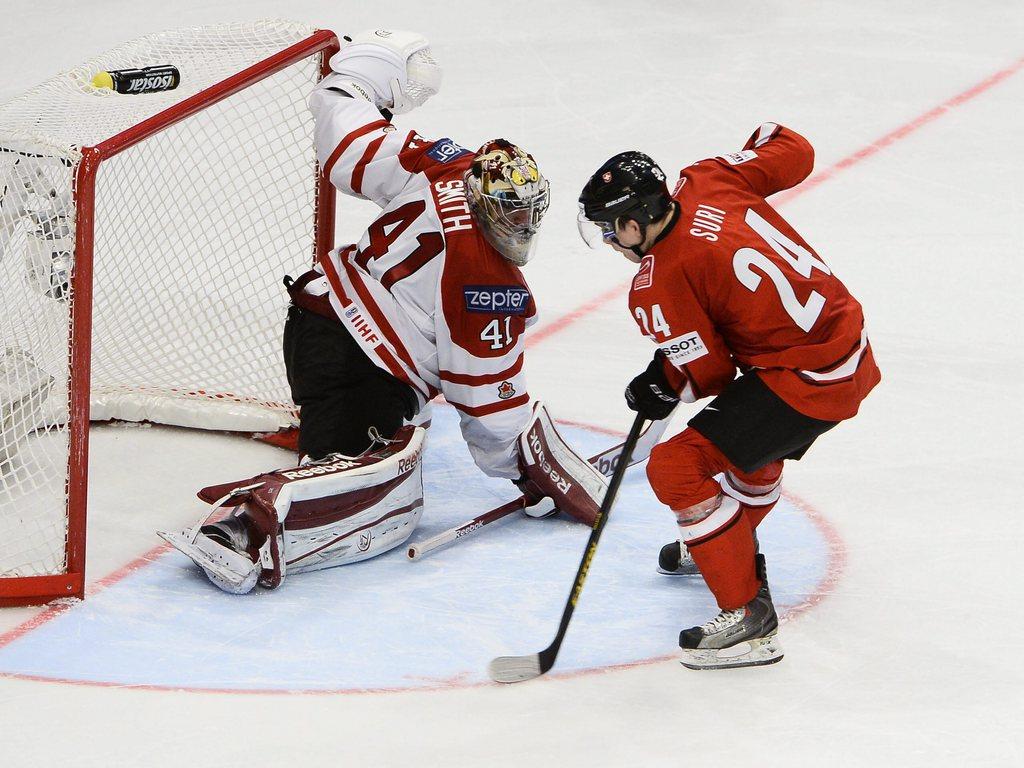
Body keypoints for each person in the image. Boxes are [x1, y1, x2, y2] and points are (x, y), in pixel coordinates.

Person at [161, 29, 608, 594]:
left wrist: (365, 72)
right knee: (390, 494)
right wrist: (536, 473)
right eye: (510, 215)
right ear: (485, 201)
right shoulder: (488, 286)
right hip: (366, 373)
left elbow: (346, 141)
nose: (519, 229)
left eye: (527, 216)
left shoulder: (445, 164)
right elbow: (491, 418)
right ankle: (242, 523)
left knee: (396, 434)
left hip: (312, 324)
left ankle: (311, 475)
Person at [578, 123, 880, 669]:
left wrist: (662, 381)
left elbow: (711, 376)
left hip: (806, 380)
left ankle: (747, 619)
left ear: (632, 222)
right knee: (741, 437)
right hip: (847, 348)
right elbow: (796, 152)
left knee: (675, 468)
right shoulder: (710, 177)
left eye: (609, 230)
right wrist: (760, 137)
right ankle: (726, 542)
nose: (608, 242)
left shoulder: (658, 282)